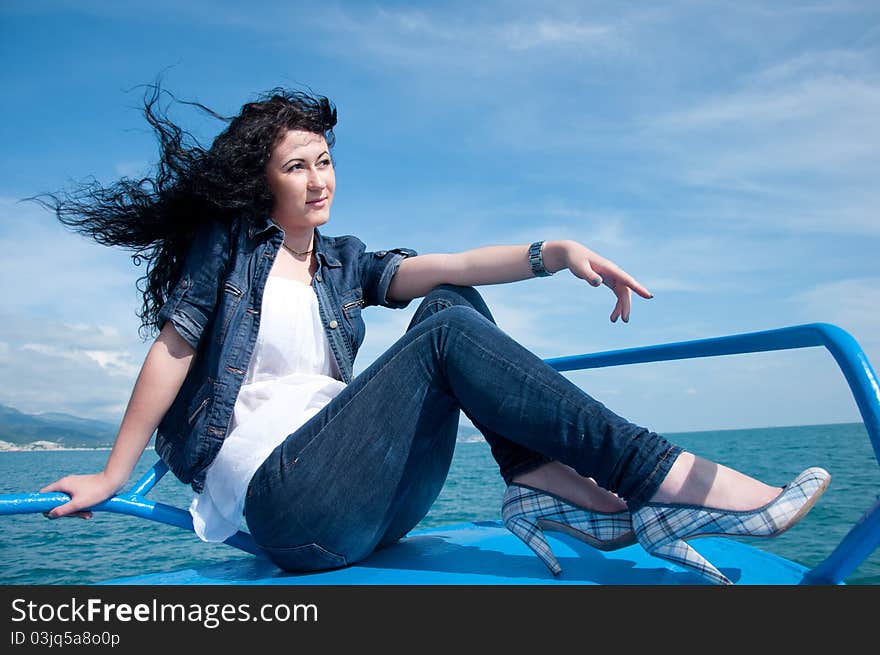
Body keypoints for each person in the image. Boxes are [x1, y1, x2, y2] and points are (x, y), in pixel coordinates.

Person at [37, 85, 830, 585]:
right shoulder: (233, 252)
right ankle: (666, 481)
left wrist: (553, 253)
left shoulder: (345, 267)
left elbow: (451, 263)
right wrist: (111, 473)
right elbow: (174, 348)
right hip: (292, 504)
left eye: (324, 161)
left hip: (377, 498)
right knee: (446, 334)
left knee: (449, 300)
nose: (319, 180)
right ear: (262, 183)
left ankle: (536, 478)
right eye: (296, 167)